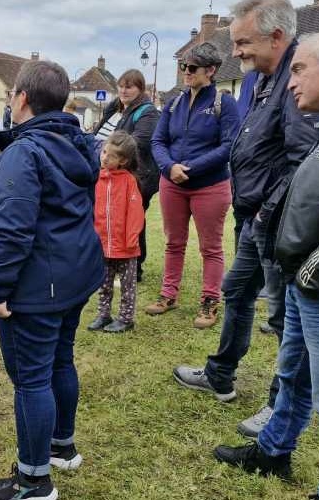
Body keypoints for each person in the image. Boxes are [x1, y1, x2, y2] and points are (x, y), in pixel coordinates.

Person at [214, 30, 319, 500]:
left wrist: (311, 274)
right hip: (315, 287)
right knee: (294, 377)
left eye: (299, 69)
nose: (290, 82)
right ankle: (273, 450)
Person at [172, 0, 319, 437]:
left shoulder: (298, 78)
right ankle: (221, 374)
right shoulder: (260, 78)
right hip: (255, 217)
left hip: (277, 224)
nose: (235, 53)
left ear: (277, 37)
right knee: (236, 293)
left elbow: (303, 161)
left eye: (242, 42)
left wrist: (266, 213)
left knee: (283, 319)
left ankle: (282, 407)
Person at [0, 60, 103, 500]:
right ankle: (61, 448)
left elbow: (12, 228)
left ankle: (33, 480)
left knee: (32, 378)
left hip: (38, 285)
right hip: (73, 274)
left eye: (11, 94)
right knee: (59, 361)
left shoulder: (24, 153)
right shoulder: (78, 143)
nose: (10, 101)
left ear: (22, 99)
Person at [148, 42, 240, 328]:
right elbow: (158, 140)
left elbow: (229, 146)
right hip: (172, 183)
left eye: (191, 68)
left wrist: (189, 168)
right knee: (174, 242)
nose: (185, 72)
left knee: (210, 247)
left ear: (211, 71)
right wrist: (169, 167)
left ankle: (210, 301)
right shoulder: (174, 102)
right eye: (183, 67)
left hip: (209, 185)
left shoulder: (224, 104)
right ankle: (168, 295)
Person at [93, 70, 160, 282]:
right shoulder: (116, 109)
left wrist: (107, 150)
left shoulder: (147, 113)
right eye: (121, 86)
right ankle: (112, 264)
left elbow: (137, 143)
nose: (123, 90)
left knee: (132, 222)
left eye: (129, 86)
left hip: (135, 178)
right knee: (112, 220)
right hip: (109, 176)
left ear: (140, 89)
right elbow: (98, 133)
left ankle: (134, 268)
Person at [87, 131, 144, 333]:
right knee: (104, 284)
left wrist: (131, 239)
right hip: (102, 245)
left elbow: (136, 212)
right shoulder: (96, 179)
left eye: (110, 155)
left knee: (127, 286)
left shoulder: (129, 181)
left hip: (126, 247)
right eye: (103, 152)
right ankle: (103, 315)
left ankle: (126, 318)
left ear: (123, 160)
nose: (104, 157)